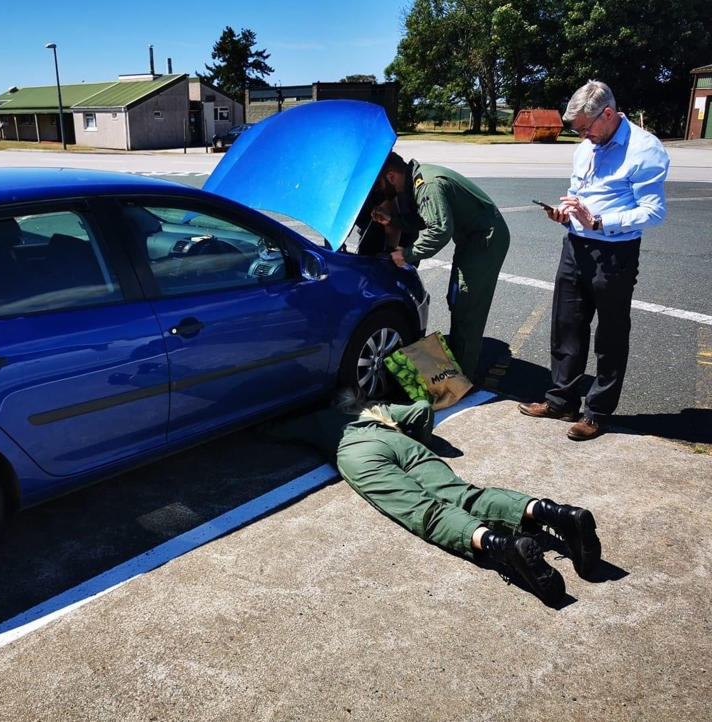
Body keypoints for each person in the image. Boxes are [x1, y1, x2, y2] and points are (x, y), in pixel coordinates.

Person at [263, 392, 601, 606]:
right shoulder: (371, 407)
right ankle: (553, 512)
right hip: (399, 442)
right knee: (463, 493)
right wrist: (421, 441)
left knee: (424, 511)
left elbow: (271, 429)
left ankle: (500, 546)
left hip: (358, 454)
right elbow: (422, 408)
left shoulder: (312, 417)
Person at [519, 80, 670, 441]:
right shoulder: (586, 147)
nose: (584, 136)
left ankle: (598, 413)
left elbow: (655, 211)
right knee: (566, 324)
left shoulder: (645, 150)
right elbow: (578, 193)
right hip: (576, 244)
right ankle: (561, 400)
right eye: (578, 130)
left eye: (586, 128)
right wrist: (566, 212)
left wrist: (600, 221)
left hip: (614, 253)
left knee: (611, 335)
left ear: (608, 114)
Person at [370, 152, 510, 382]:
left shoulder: (428, 185)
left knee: (467, 304)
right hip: (471, 239)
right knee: (457, 298)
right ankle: (458, 363)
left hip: (485, 241)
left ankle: (462, 379)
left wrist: (406, 255)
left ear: (392, 175)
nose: (382, 190)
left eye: (380, 183)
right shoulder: (417, 181)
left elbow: (439, 231)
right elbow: (425, 220)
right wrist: (391, 220)